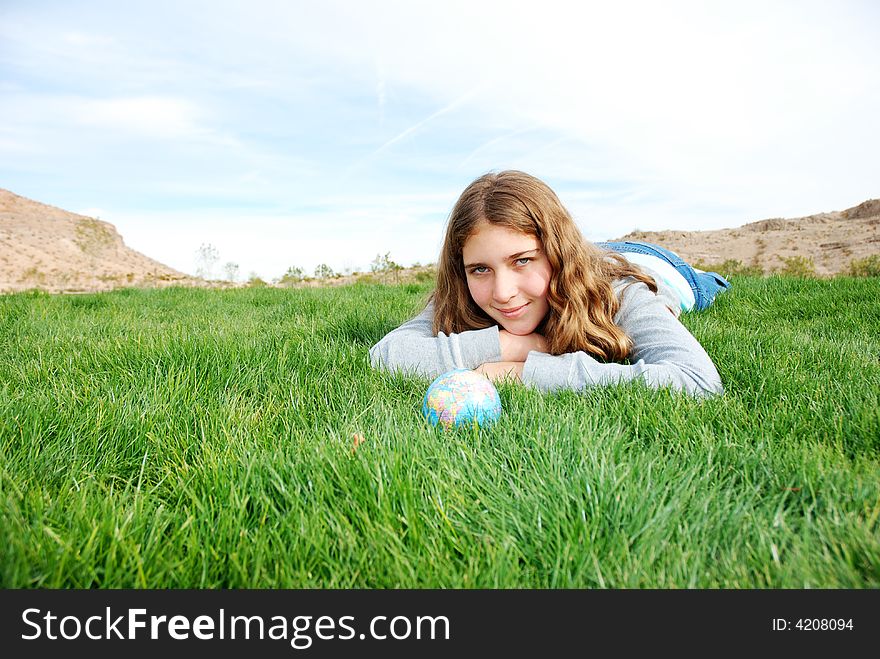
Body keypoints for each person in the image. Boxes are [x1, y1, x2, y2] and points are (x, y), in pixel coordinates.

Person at [369, 171, 730, 397]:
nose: (503, 292)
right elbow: (385, 356)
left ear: (557, 253)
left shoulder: (620, 293)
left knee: (703, 288)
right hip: (592, 253)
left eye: (522, 260)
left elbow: (696, 380)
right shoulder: (464, 289)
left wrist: (525, 372)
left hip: (659, 265)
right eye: (480, 269)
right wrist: (511, 344)